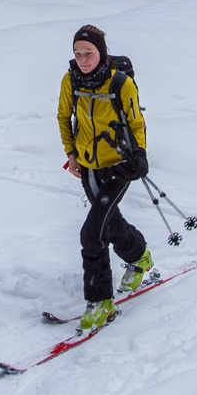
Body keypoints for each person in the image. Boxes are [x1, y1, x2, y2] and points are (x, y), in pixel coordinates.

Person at [57, 25, 153, 330]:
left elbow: (136, 122)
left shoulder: (121, 84)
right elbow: (63, 116)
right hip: (88, 167)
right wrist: (72, 153)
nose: (83, 59)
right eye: (78, 53)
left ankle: (100, 302)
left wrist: (139, 155)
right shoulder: (70, 80)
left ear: (102, 53)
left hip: (118, 167)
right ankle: (140, 257)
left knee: (91, 233)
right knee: (109, 223)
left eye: (89, 53)